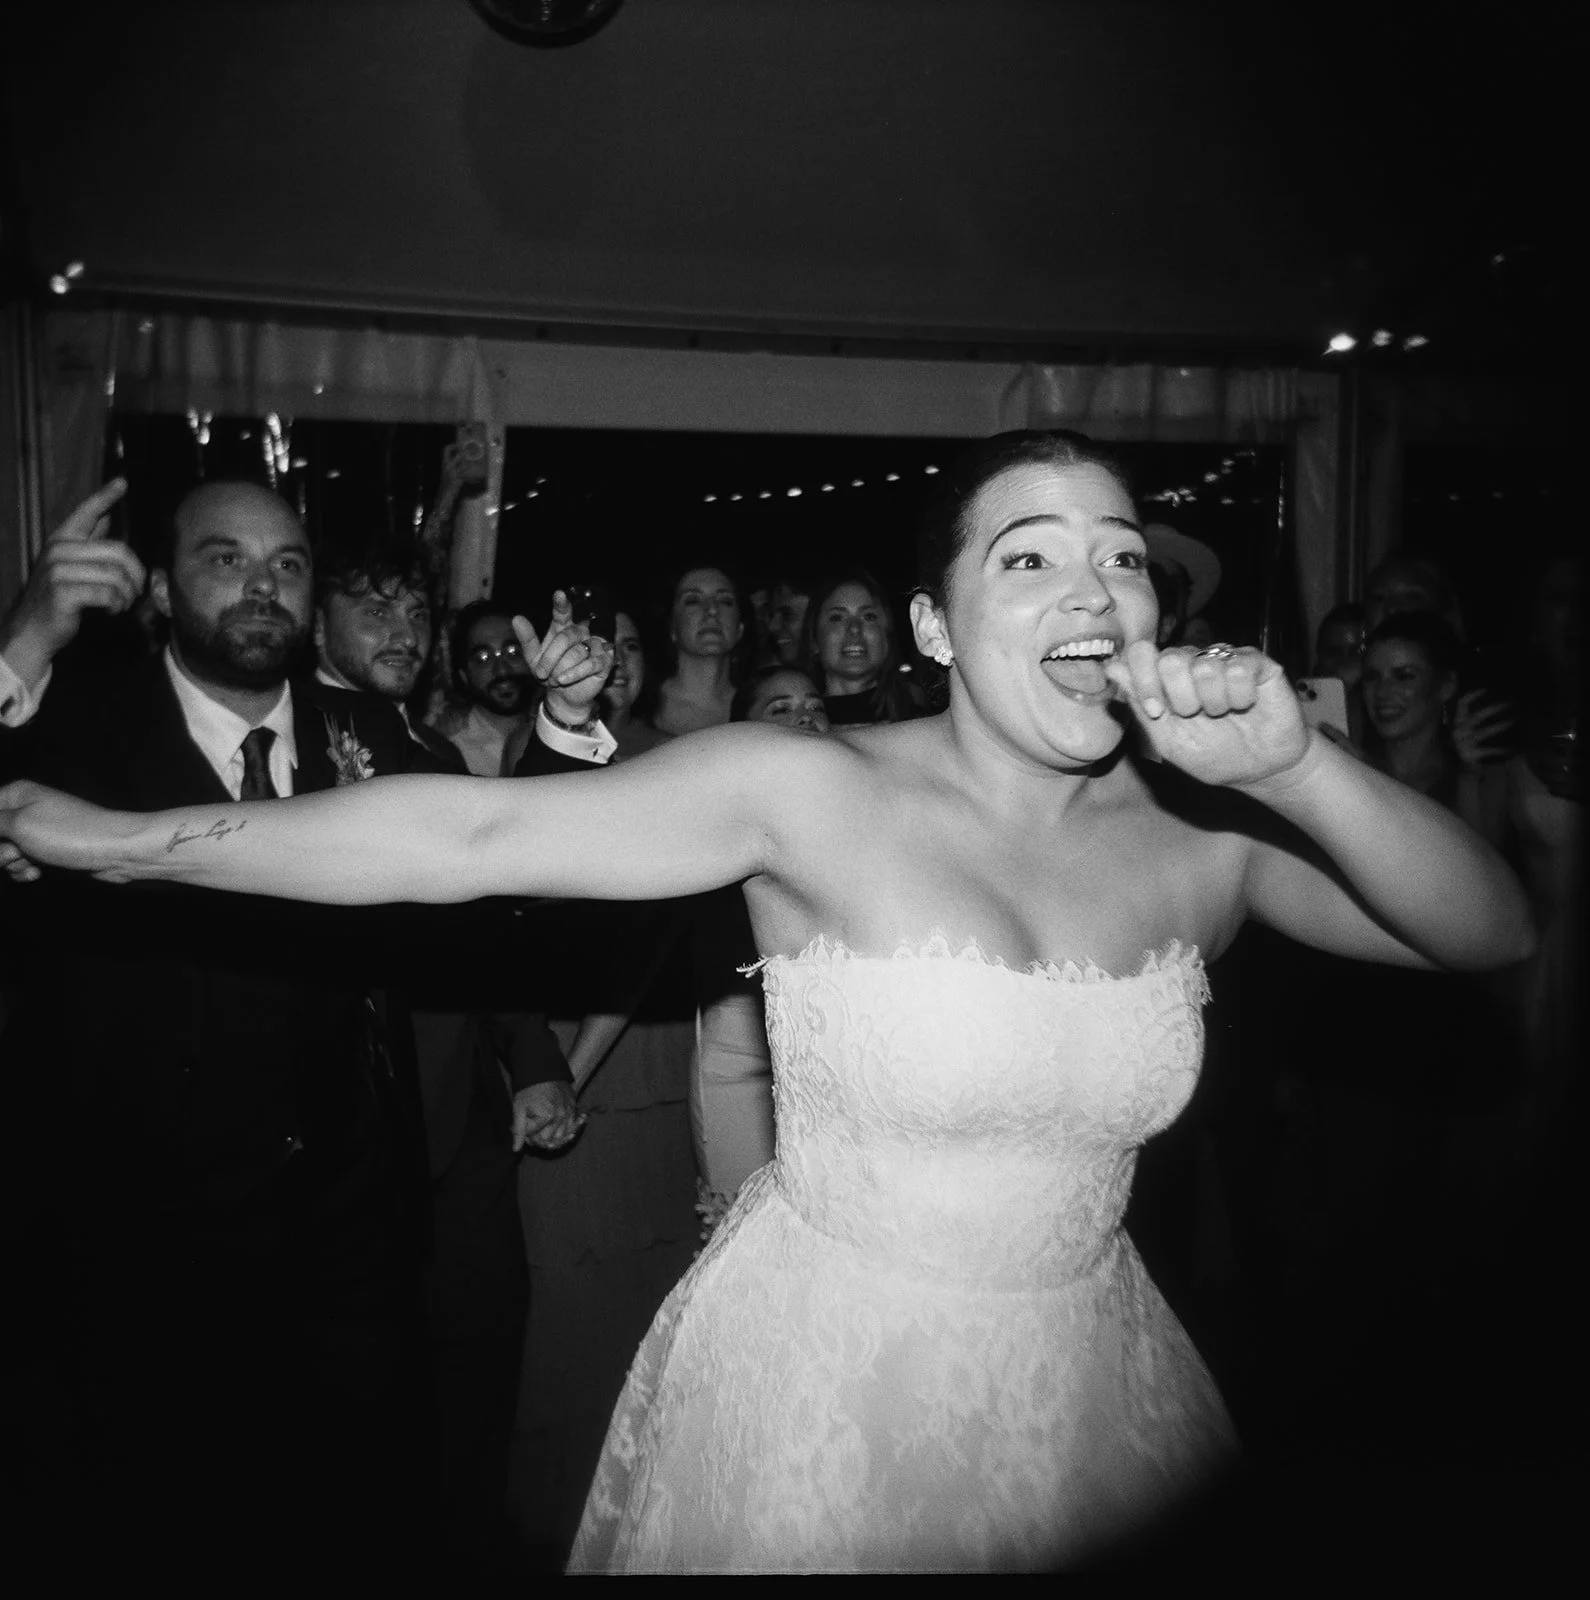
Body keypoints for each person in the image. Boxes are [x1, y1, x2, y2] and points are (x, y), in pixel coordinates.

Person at [1, 431, 1534, 1573]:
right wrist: (119, 843)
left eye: (1119, 555)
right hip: (826, 1382)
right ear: (932, 629)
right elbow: (462, 836)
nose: (1090, 585)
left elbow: (1485, 930)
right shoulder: (805, 788)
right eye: (1027, 557)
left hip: (1095, 1387)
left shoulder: (1206, 835)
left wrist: (1296, 769)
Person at [803, 567, 921, 726]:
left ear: (887, 635)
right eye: (837, 618)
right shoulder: (798, 726)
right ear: (814, 638)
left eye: (868, 617)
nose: (854, 628)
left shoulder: (920, 721)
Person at [652, 564, 748, 736]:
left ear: (740, 628)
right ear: (672, 627)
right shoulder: (641, 704)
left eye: (725, 601)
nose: (712, 610)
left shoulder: (758, 706)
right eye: (693, 601)